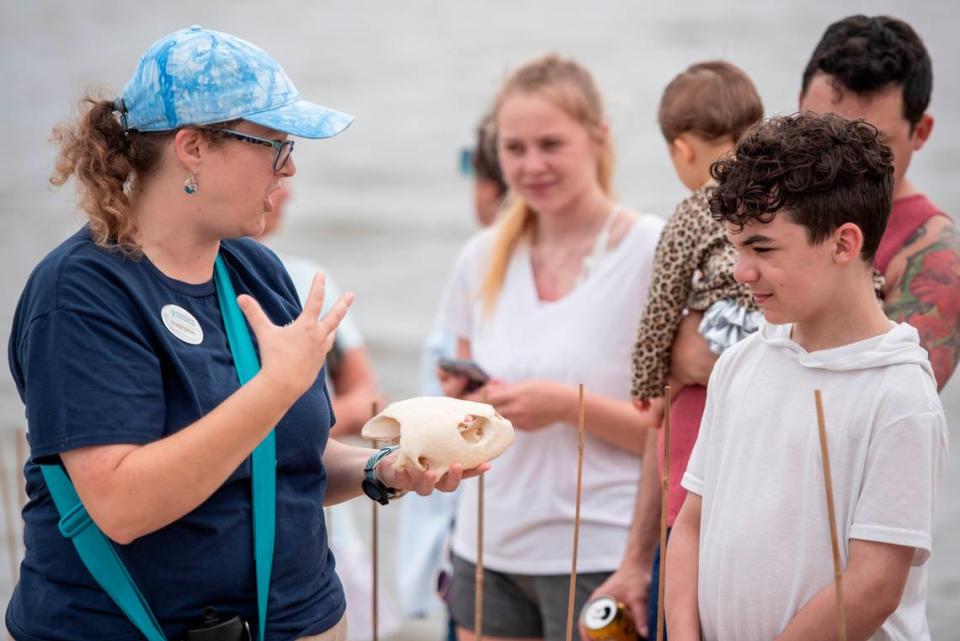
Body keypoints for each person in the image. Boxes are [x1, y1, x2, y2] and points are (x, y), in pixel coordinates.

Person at [6, 26, 479, 641]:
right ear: (192, 148)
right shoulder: (80, 293)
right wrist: (275, 386)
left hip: (299, 620)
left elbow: (283, 461)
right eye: (275, 145)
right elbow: (122, 506)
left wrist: (383, 469)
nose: (291, 167)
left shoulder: (254, 269)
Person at [665, 112, 949, 641]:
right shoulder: (739, 364)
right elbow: (691, 524)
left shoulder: (899, 393)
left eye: (762, 248)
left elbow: (874, 586)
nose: (740, 271)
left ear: (844, 244)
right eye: (736, 246)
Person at [437, 54, 664, 641]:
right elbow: (459, 415)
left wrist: (568, 406)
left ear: (598, 138)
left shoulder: (649, 249)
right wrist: (460, 406)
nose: (532, 165)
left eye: (550, 144)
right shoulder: (480, 257)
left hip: (601, 551)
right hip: (486, 544)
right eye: (515, 149)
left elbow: (680, 435)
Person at [588, 61, 763, 641]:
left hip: (724, 329)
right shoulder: (785, 199)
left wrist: (646, 381)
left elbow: (662, 302)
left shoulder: (695, 210)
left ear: (684, 150)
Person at [797, 14, 959, 390]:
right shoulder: (754, 207)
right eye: (820, 131)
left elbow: (887, 401)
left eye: (870, 143)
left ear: (920, 132)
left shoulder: (934, 257)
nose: (837, 164)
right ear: (799, 104)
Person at [399, 113, 509, 641]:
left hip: (476, 536)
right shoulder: (483, 266)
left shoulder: (479, 270)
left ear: (490, 187)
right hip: (475, 537)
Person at [259, 183, 382, 438]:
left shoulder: (308, 279)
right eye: (275, 182)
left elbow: (364, 394)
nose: (288, 193)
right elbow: (361, 406)